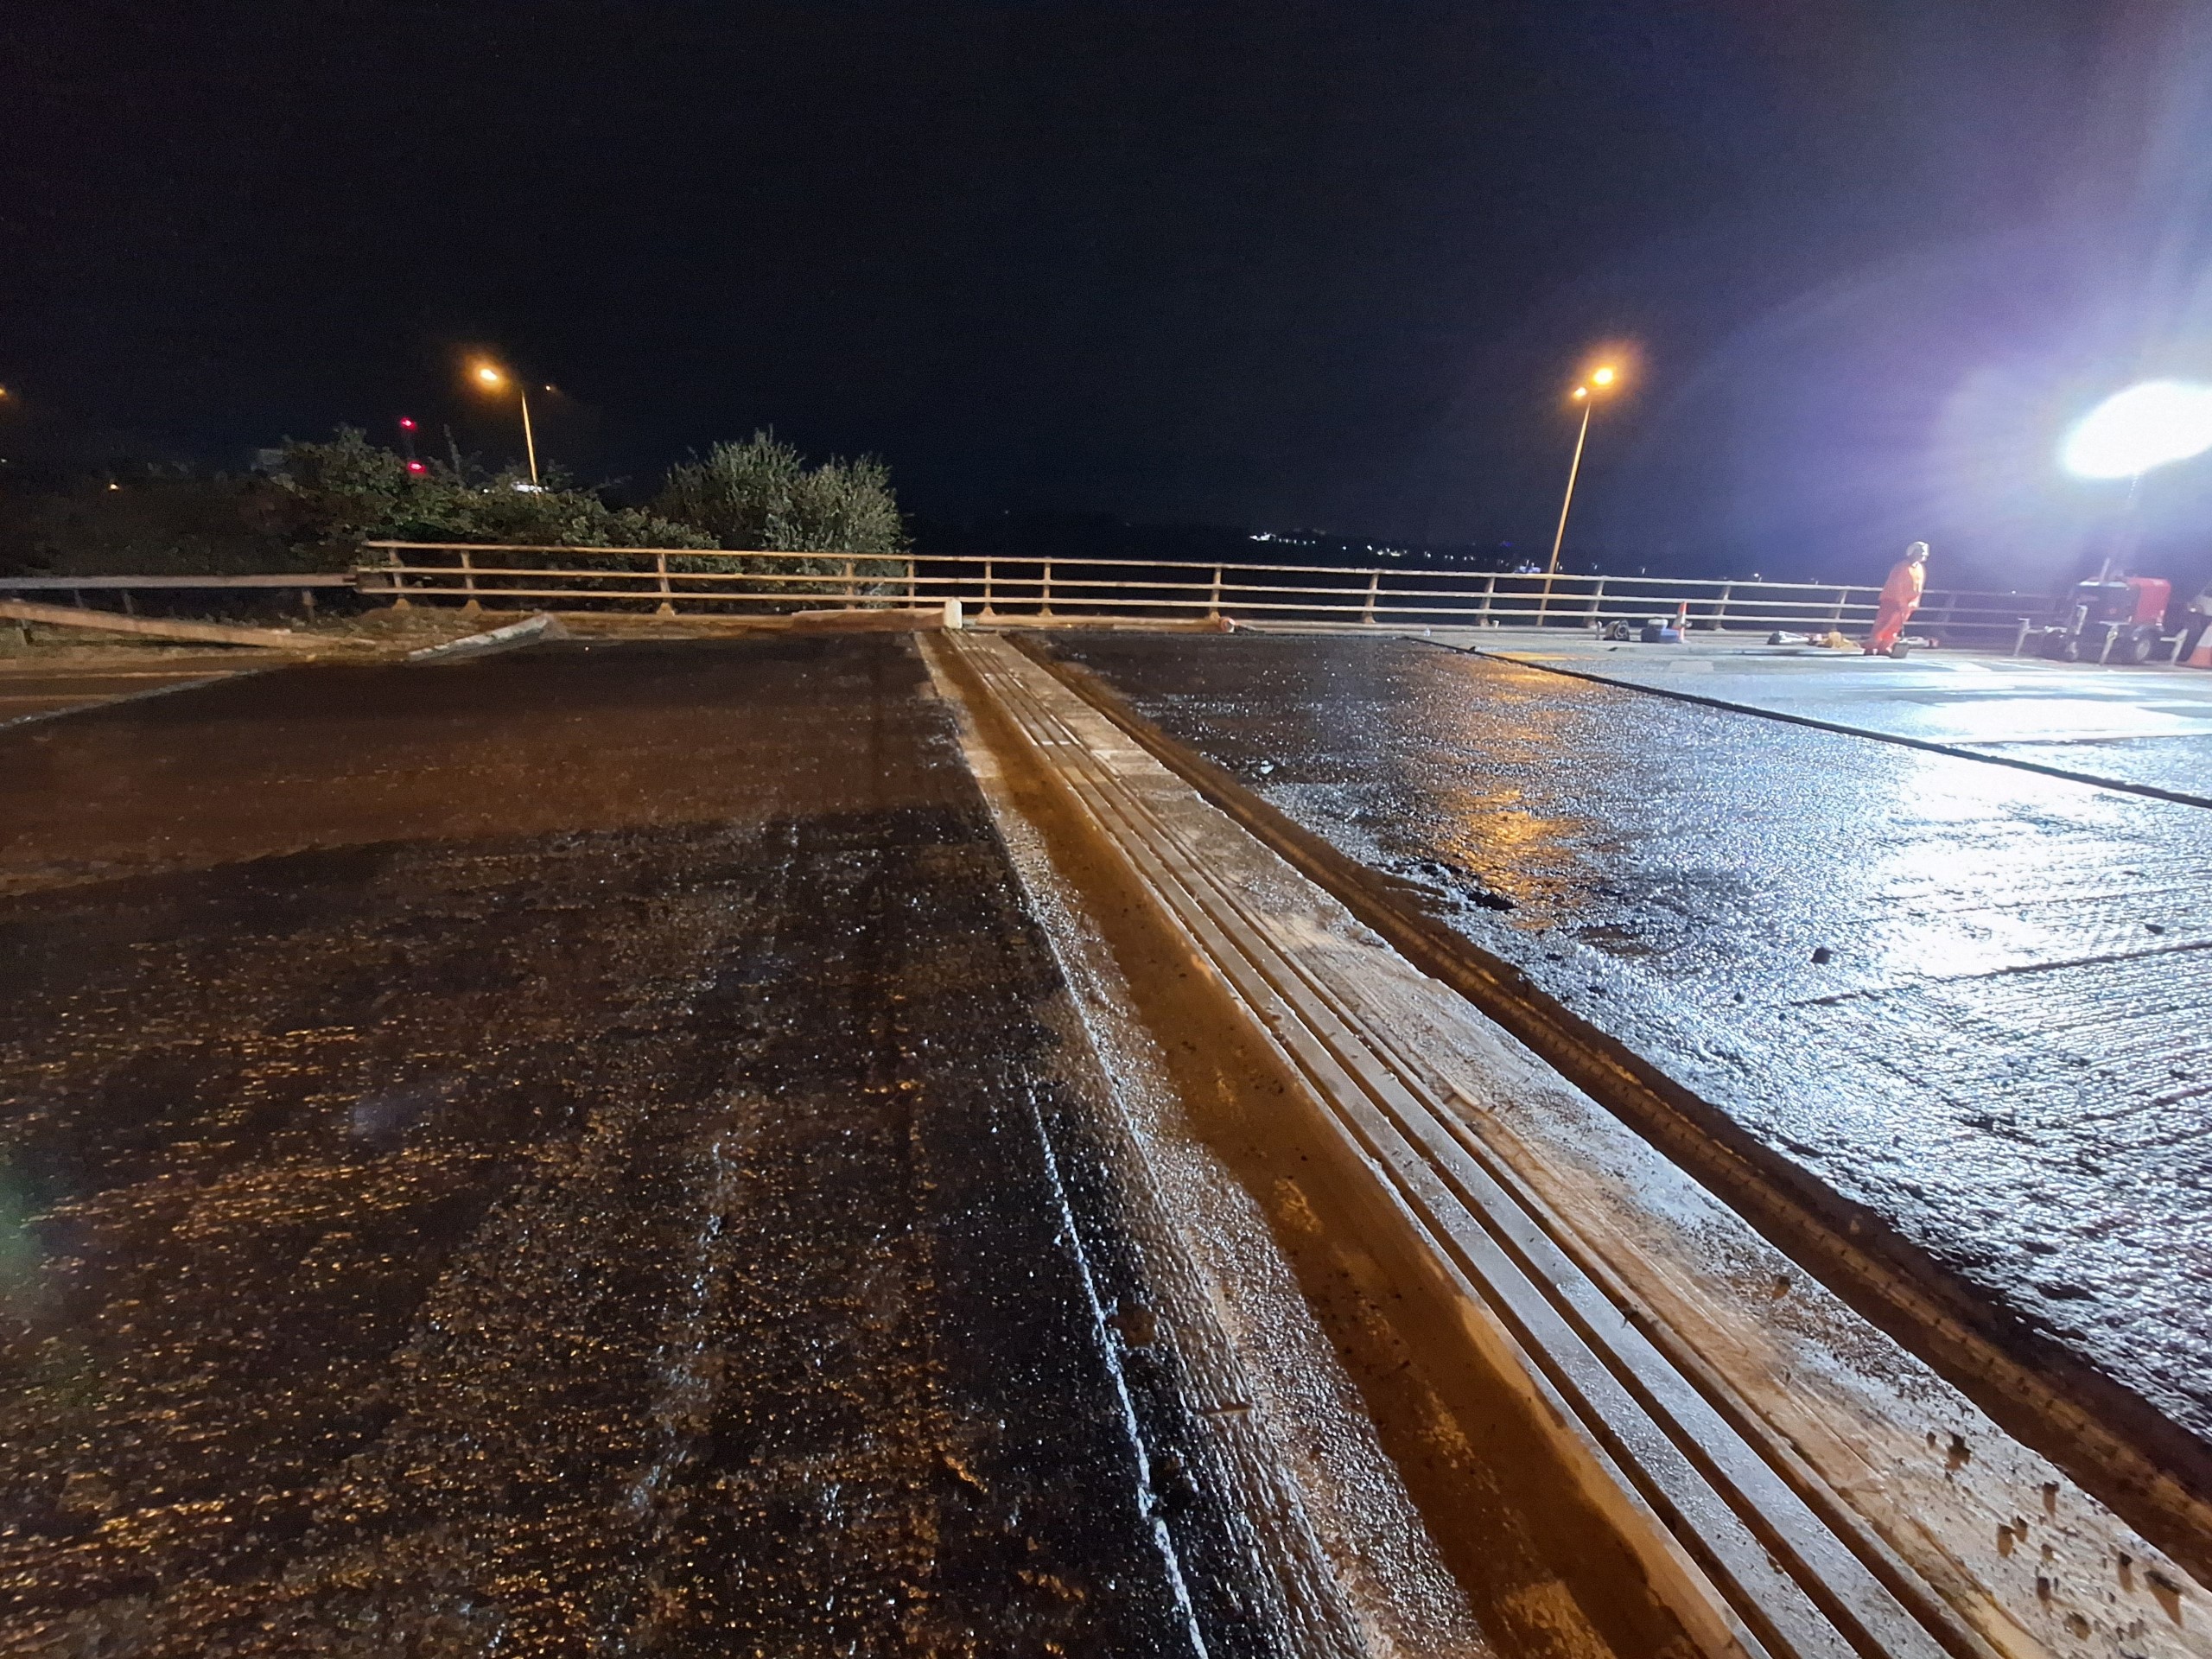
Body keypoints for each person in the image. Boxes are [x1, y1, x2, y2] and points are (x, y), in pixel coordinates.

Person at [1866, 542, 1929, 656]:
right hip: (1892, 600)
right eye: (1919, 553)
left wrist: (1914, 602)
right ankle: (1871, 647)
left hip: (1908, 603)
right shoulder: (1902, 567)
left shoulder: (1920, 568)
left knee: (1896, 626)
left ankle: (1885, 646)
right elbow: (1896, 585)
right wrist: (1901, 601)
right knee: (1883, 624)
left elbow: (1919, 587)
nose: (1921, 556)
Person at [2177, 577, 2212, 664]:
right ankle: (2184, 657)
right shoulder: (2204, 593)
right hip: (2200, 614)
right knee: (2193, 635)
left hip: (2203, 612)